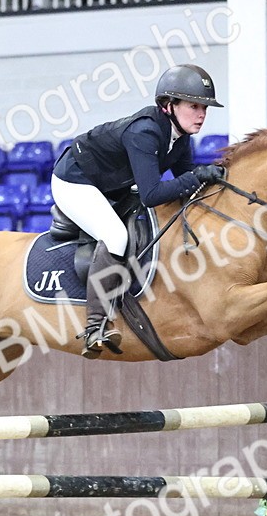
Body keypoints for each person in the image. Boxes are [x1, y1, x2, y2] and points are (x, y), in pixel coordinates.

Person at [51, 63, 226, 358]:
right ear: (169, 106)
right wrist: (198, 175)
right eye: (195, 106)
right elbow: (152, 194)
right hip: (75, 180)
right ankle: (95, 326)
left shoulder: (180, 138)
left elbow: (188, 182)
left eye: (205, 108)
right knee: (116, 236)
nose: (201, 115)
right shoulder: (144, 132)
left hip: (112, 185)